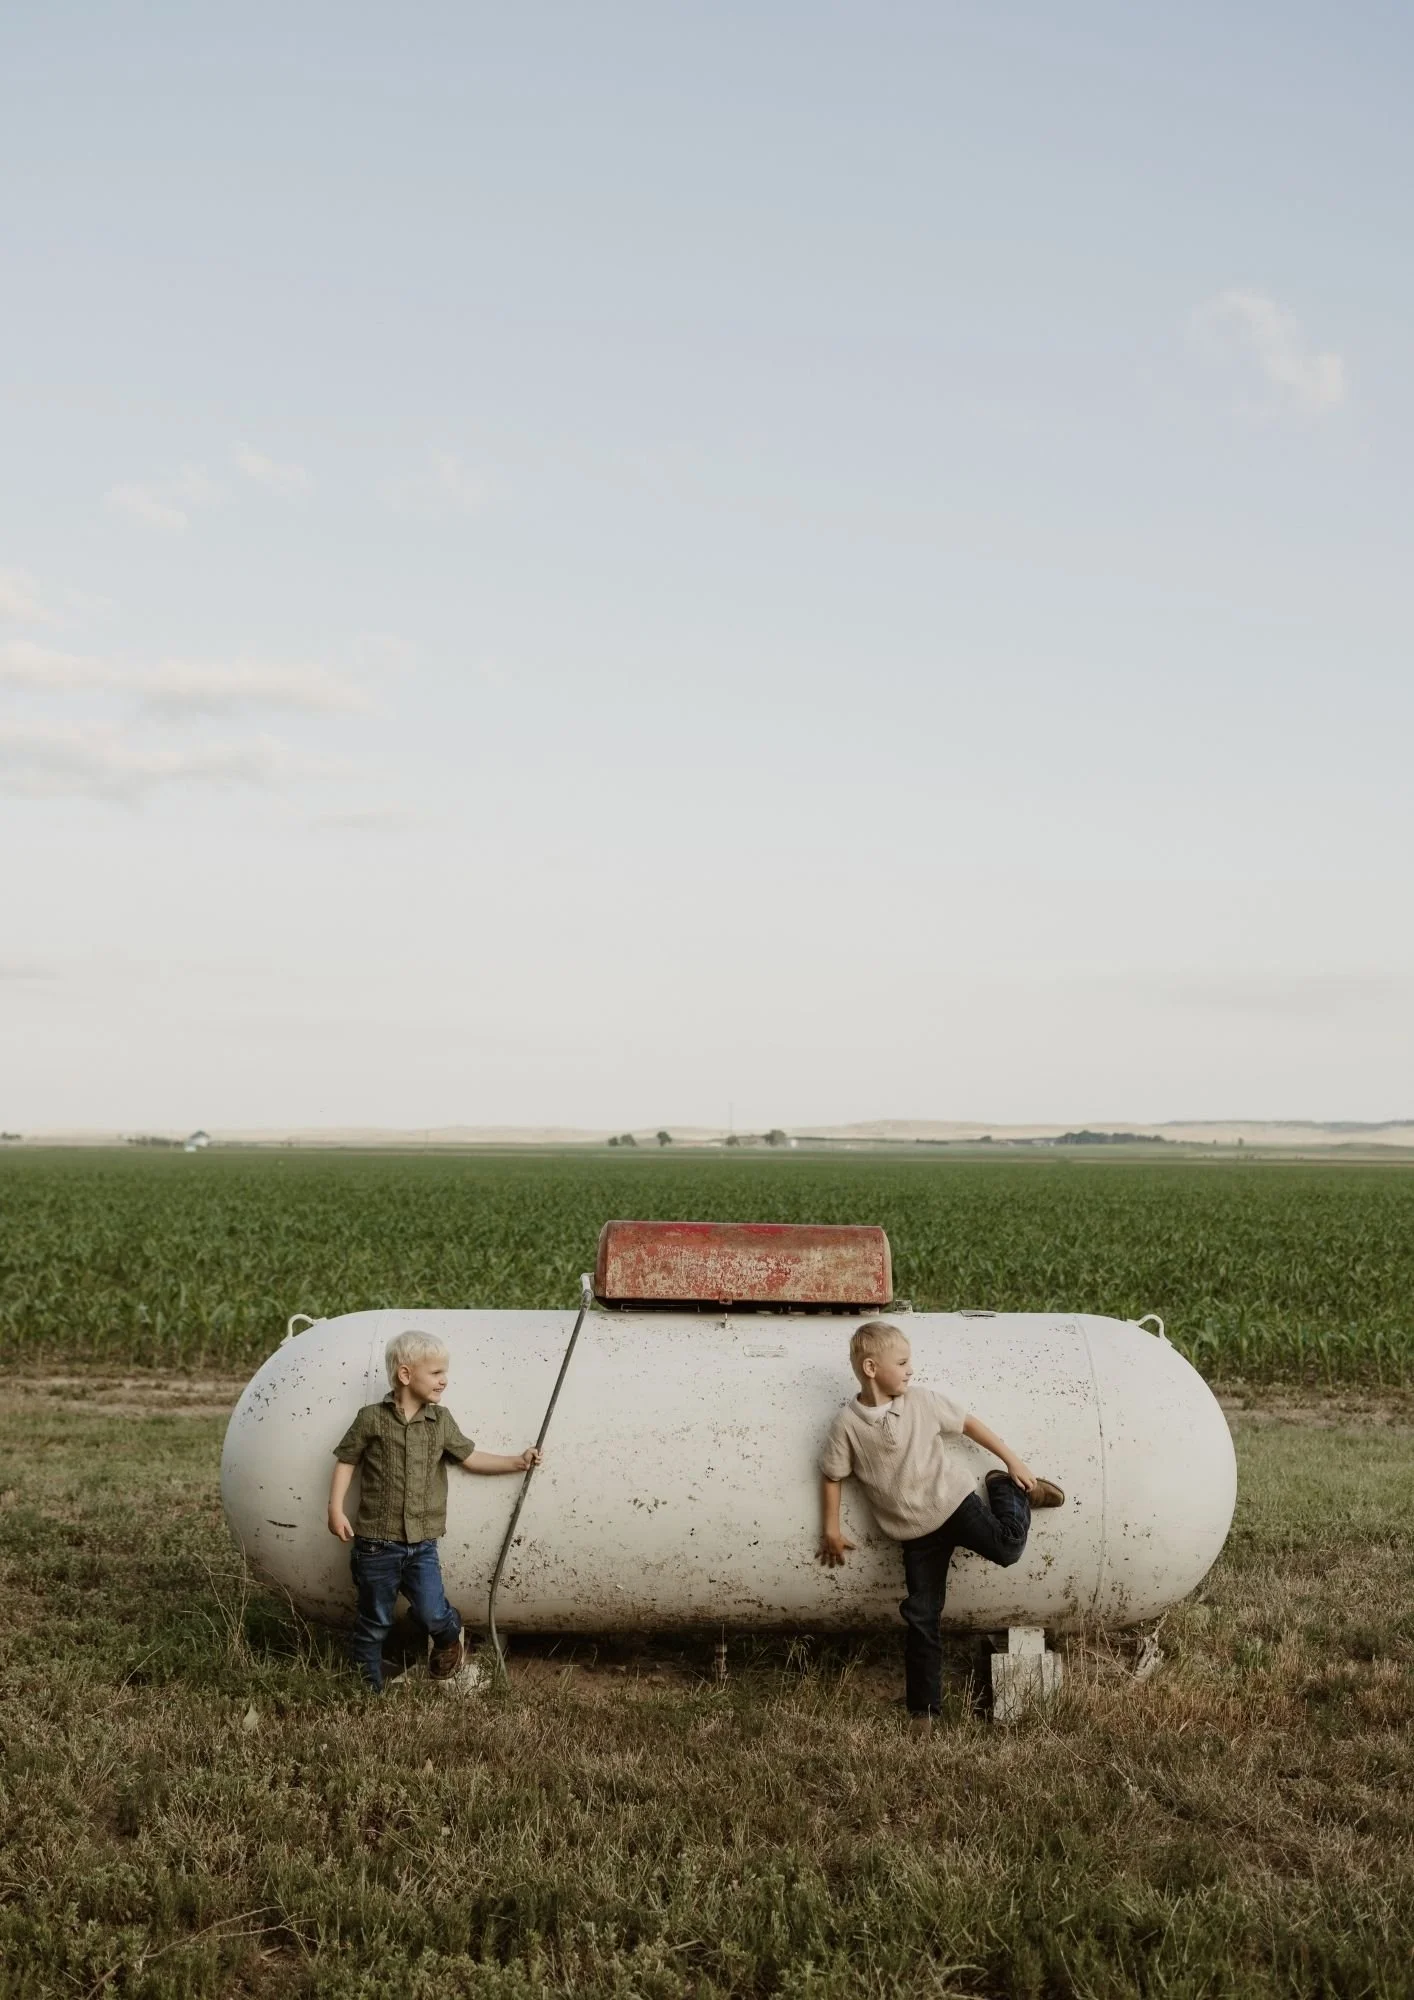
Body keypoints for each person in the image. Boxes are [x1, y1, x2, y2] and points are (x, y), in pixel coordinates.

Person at [817, 1319, 1065, 1724]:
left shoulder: (921, 1401)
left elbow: (967, 1423)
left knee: (1008, 1547)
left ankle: (1008, 1490)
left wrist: (1012, 1461)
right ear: (871, 1368)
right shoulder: (847, 1425)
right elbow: (831, 1474)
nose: (911, 1369)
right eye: (902, 1362)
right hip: (914, 1535)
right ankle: (924, 1712)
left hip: (954, 1504)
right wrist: (831, 1529)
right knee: (921, 1619)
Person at [327, 1329, 540, 1691]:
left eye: (445, 1372)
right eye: (437, 1373)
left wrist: (516, 1462)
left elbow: (469, 1457)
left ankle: (447, 1638)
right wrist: (335, 1508)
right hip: (376, 1544)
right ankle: (366, 1687)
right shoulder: (371, 1419)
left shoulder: (440, 1421)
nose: (445, 1380)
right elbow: (346, 1460)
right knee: (374, 1619)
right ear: (406, 1375)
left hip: (422, 1544)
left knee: (433, 1612)